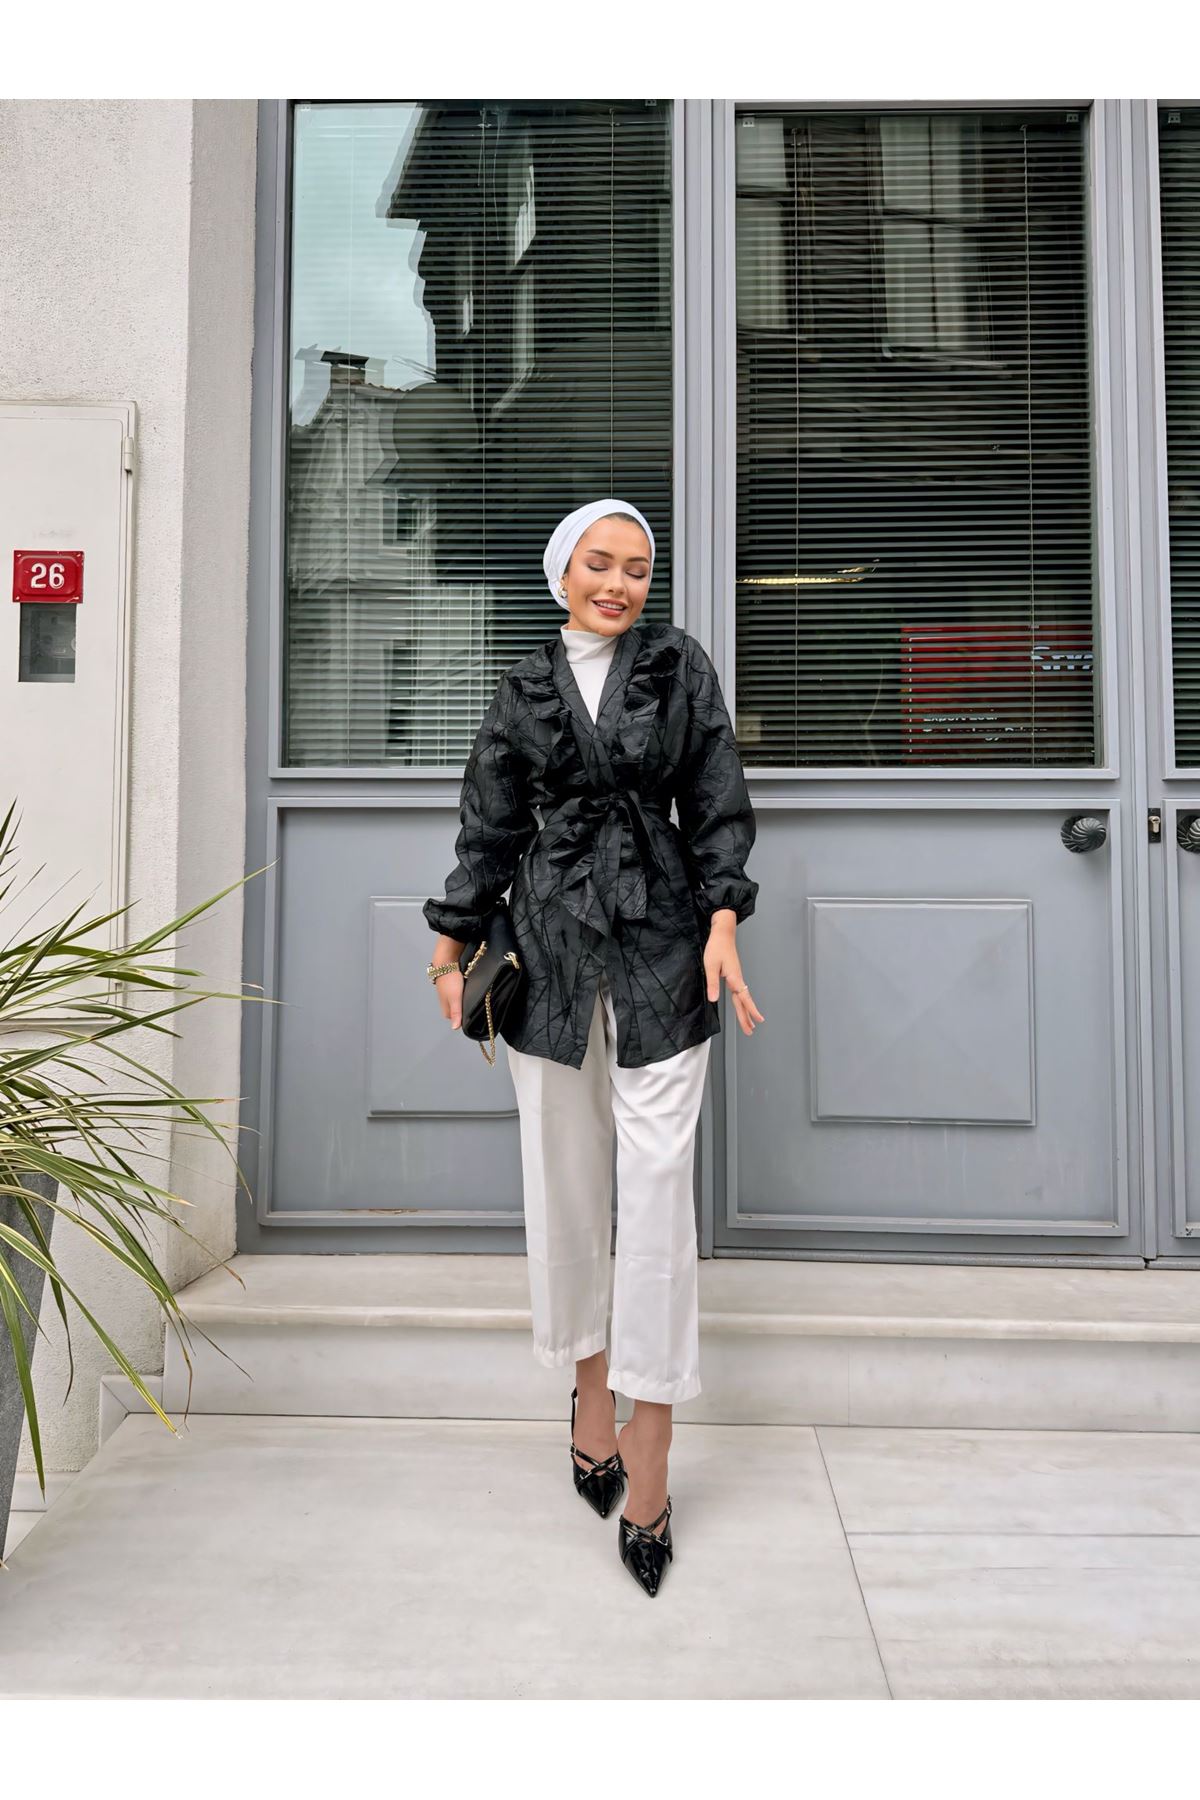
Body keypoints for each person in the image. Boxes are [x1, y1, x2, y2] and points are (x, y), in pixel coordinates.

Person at [423, 498, 763, 1597]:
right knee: (565, 1185)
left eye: (637, 569)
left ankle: (651, 1446)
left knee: (657, 1198)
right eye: (599, 565)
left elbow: (717, 800)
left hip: (665, 950)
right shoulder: (523, 686)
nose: (619, 585)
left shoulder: (677, 665)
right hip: (550, 954)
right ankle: (587, 1389)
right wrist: (449, 950)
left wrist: (723, 923)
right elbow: (488, 825)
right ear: (562, 573)